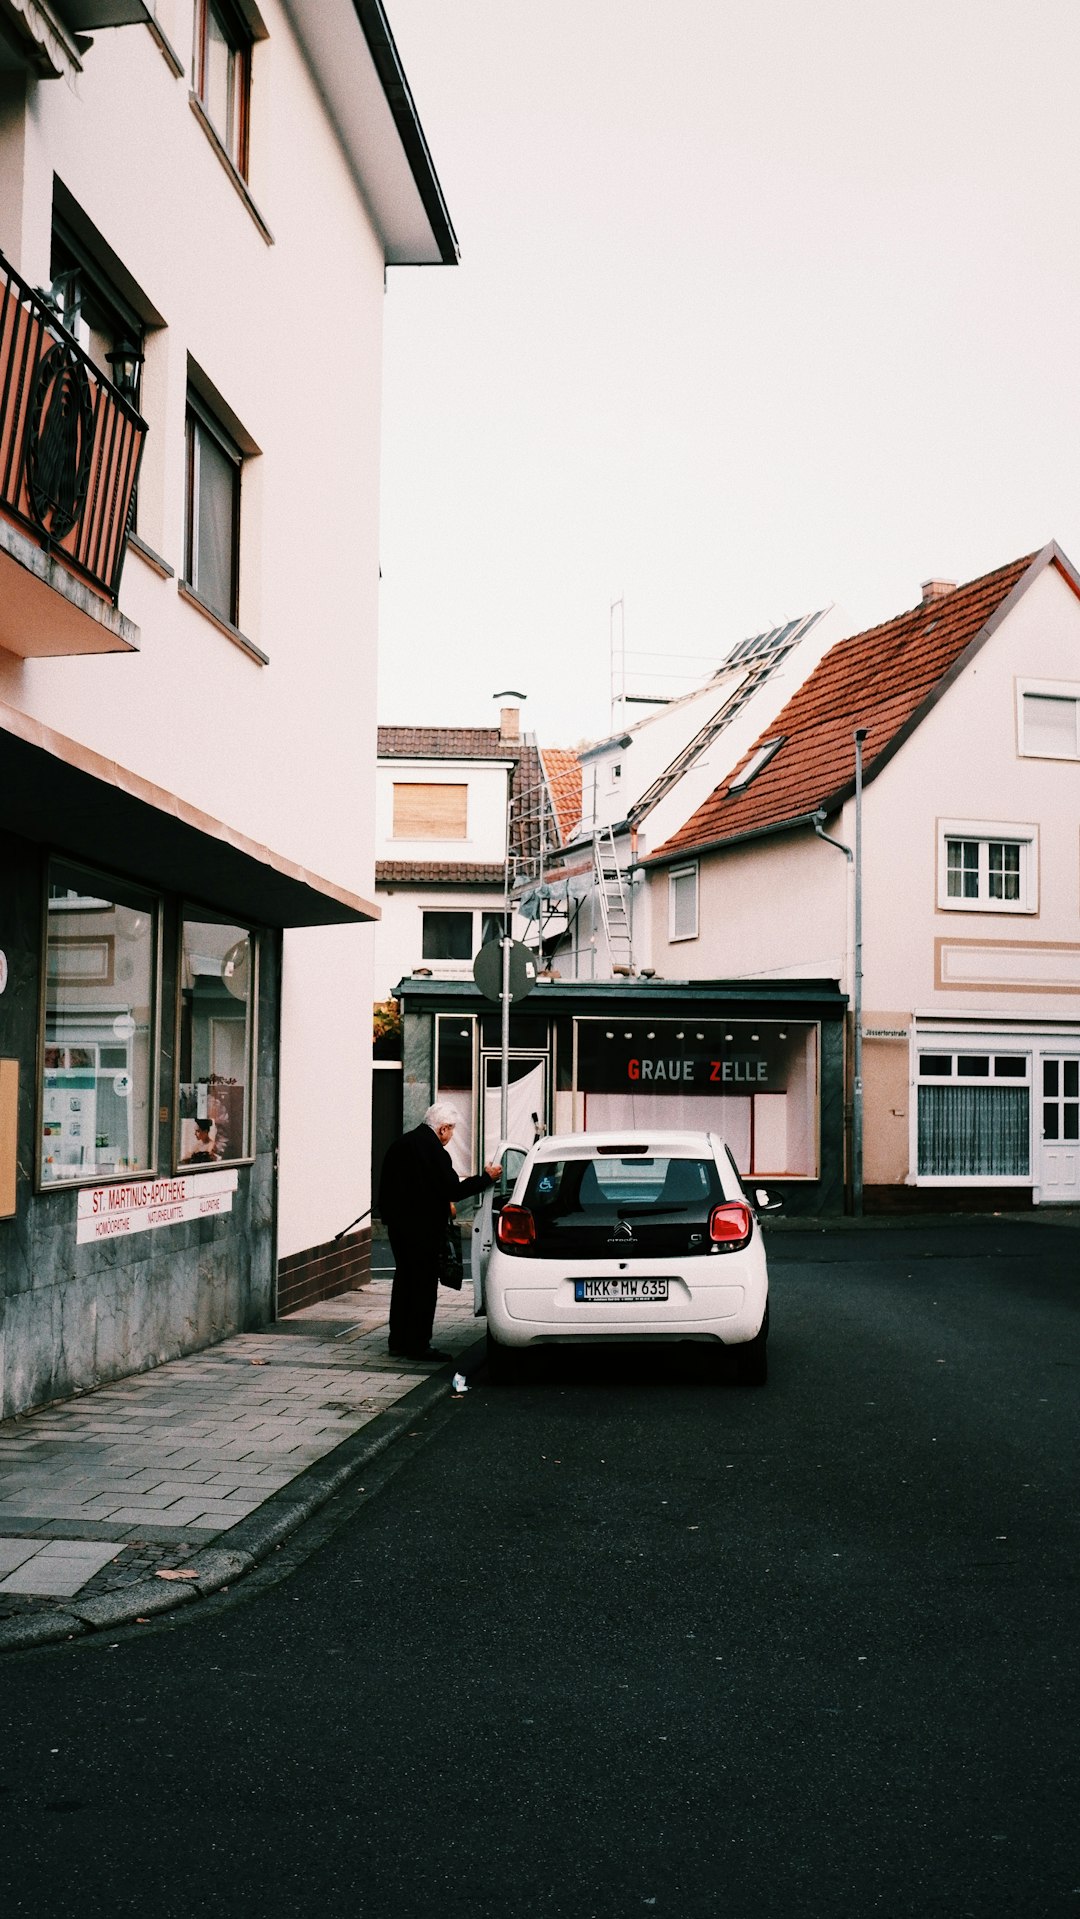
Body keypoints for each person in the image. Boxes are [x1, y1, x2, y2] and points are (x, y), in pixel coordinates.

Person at [378, 1101, 501, 1362]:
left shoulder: (400, 1144)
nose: (451, 1136)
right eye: (452, 1130)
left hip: (399, 1229)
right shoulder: (434, 1151)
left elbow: (388, 1189)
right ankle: (418, 1344)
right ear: (443, 1128)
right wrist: (486, 1178)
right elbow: (452, 1189)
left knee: (404, 1282)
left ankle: (398, 1340)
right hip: (424, 1230)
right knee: (423, 1286)